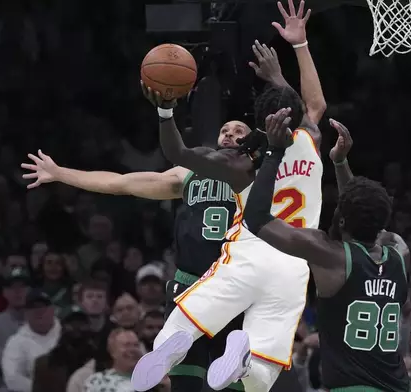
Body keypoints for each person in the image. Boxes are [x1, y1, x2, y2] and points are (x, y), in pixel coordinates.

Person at [132, 1, 327, 390]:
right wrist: (292, 55)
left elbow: (179, 154)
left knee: (181, 326)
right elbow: (313, 106)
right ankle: (244, 366)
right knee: (263, 373)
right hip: (294, 266)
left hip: (248, 258)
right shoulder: (311, 141)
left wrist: (167, 112)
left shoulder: (242, 163)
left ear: (261, 126)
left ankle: (171, 346)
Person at [241, 109, 409, 391]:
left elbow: (257, 219)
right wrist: (340, 162)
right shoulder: (399, 252)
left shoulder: (329, 255)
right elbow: (362, 213)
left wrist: (274, 152)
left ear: (342, 219)